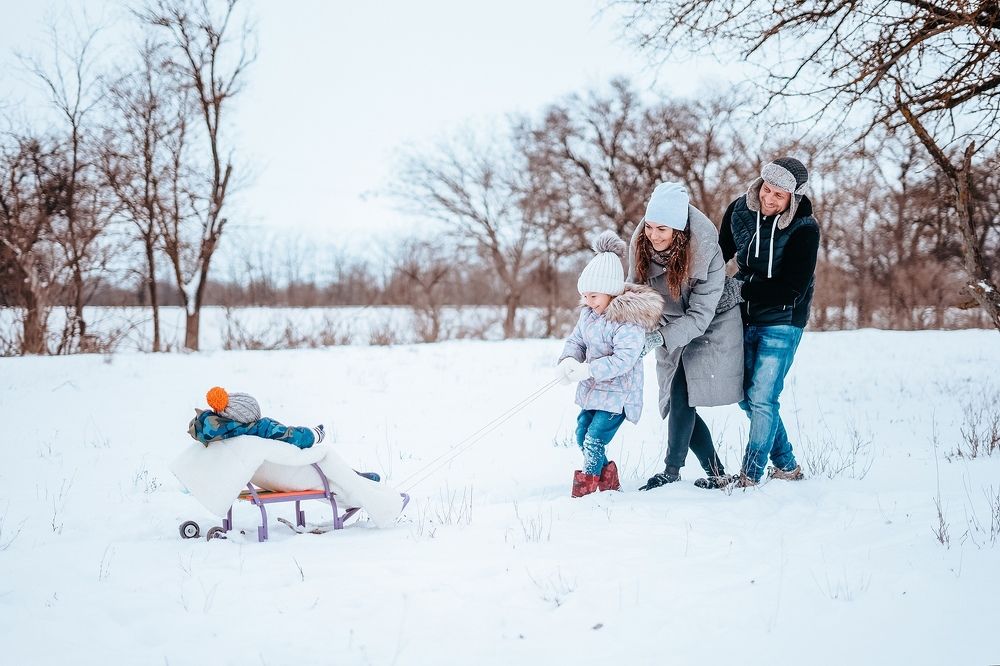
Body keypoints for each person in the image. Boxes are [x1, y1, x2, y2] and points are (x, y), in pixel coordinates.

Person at [627, 182, 744, 490]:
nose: (653, 235)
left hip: (712, 320)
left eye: (662, 229)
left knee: (683, 391)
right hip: (667, 321)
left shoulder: (708, 252)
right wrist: (626, 333)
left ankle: (671, 471)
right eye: (650, 227)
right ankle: (717, 473)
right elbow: (633, 292)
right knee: (677, 397)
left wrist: (657, 338)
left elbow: (699, 316)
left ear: (678, 230)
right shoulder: (641, 243)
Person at [718, 156, 820, 486]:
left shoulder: (805, 229)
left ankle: (750, 474)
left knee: (763, 398)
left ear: (794, 197)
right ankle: (787, 466)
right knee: (747, 397)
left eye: (780, 195)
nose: (770, 199)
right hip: (746, 316)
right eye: (767, 189)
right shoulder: (739, 211)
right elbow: (719, 255)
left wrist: (739, 289)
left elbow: (792, 288)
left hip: (784, 319)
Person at [556, 230, 663, 497]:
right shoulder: (589, 316)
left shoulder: (628, 321)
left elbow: (624, 360)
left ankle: (588, 487)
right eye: (585, 296)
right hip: (593, 392)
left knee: (594, 440)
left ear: (611, 292)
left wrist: (588, 369)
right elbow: (576, 341)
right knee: (582, 435)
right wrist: (569, 361)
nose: (589, 301)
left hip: (618, 396)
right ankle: (608, 480)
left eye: (594, 296)